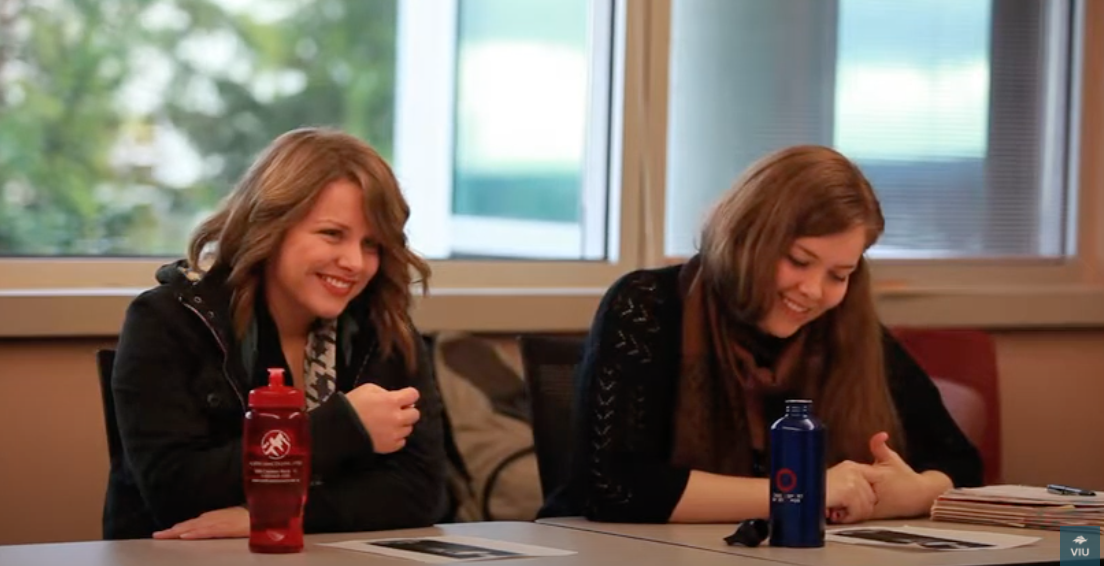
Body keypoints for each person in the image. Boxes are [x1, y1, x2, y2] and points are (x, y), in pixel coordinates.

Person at [540, 145, 983, 524]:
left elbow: (959, 463)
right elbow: (613, 487)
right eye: (798, 260)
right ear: (749, 238)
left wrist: (917, 493)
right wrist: (803, 491)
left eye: (839, 274)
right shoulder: (646, 305)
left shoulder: (847, 327)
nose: (813, 291)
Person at [105, 127, 448, 539]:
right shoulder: (167, 320)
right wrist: (341, 428)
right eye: (332, 234)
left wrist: (278, 517)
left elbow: (420, 495)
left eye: (372, 244)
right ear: (270, 225)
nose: (355, 262)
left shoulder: (383, 327)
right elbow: (177, 493)